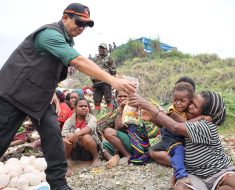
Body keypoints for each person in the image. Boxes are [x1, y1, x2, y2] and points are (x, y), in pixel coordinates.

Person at [0, 3, 134, 190]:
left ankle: (59, 184)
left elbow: (45, 70)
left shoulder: (67, 40)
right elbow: (78, 61)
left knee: (53, 136)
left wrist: (52, 92)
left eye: (85, 25)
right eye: (78, 22)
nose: (81, 28)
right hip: (13, 94)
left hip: (39, 99)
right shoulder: (49, 34)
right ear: (65, 17)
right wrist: (113, 81)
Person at [129, 91, 235, 190]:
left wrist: (147, 105)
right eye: (191, 102)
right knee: (181, 187)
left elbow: (175, 128)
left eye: (195, 106)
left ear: (206, 113)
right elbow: (174, 129)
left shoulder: (207, 126)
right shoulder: (189, 122)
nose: (190, 106)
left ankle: (219, 186)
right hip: (195, 174)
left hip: (218, 172)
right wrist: (152, 118)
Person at [62, 98, 102, 175]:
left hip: (90, 149)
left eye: (85, 106)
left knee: (85, 136)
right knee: (68, 136)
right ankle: (66, 160)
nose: (83, 108)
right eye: (80, 106)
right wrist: (65, 138)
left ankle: (96, 157)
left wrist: (77, 134)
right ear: (75, 108)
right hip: (76, 150)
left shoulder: (91, 118)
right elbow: (64, 133)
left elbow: (90, 127)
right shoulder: (70, 121)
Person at [92, 43, 117, 114]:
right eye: (100, 48)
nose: (101, 49)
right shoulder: (95, 59)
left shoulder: (109, 58)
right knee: (96, 101)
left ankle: (109, 115)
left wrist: (113, 83)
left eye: (103, 48)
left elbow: (113, 71)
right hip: (96, 83)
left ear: (106, 49)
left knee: (108, 99)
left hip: (106, 82)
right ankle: (97, 117)